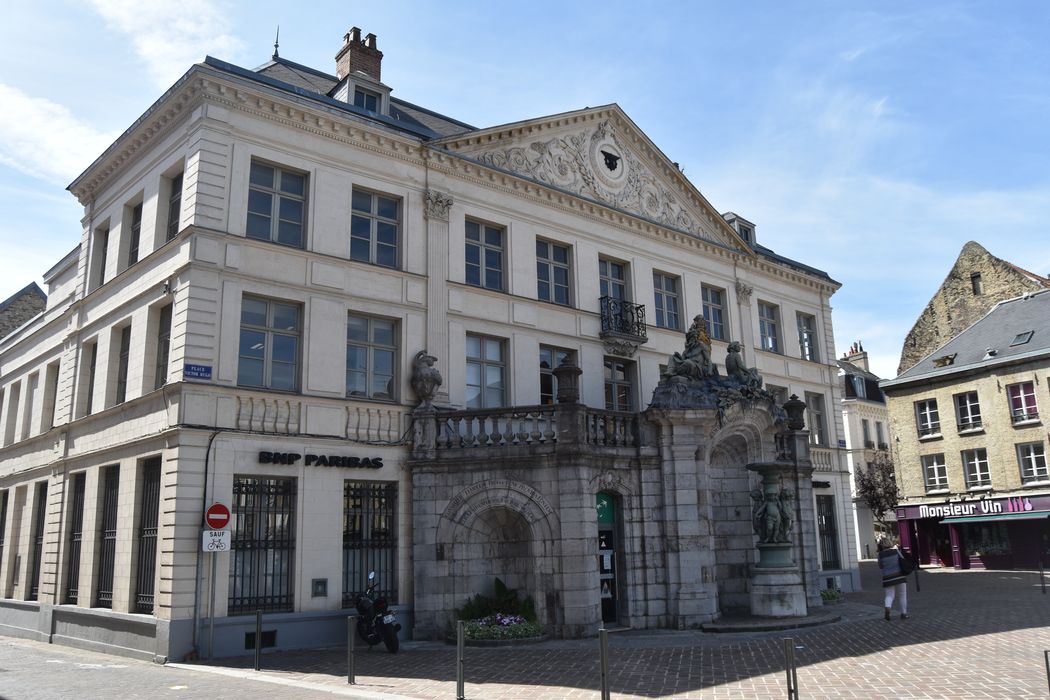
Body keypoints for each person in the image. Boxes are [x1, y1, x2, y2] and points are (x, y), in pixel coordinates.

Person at [877, 538, 909, 620]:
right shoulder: (896, 551)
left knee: (889, 595)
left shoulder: (880, 555)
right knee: (902, 595)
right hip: (900, 576)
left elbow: (880, 566)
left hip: (887, 578)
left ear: (882, 546)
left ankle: (888, 607)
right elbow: (902, 560)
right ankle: (904, 614)